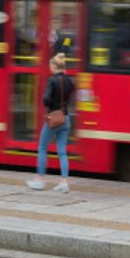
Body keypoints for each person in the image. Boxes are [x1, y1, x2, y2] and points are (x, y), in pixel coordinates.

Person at [28, 53, 75, 194]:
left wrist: (48, 101)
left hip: (54, 119)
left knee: (42, 147)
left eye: (50, 66)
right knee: (62, 152)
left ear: (54, 66)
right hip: (66, 118)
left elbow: (46, 100)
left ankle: (41, 180)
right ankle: (64, 182)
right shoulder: (69, 81)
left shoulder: (52, 81)